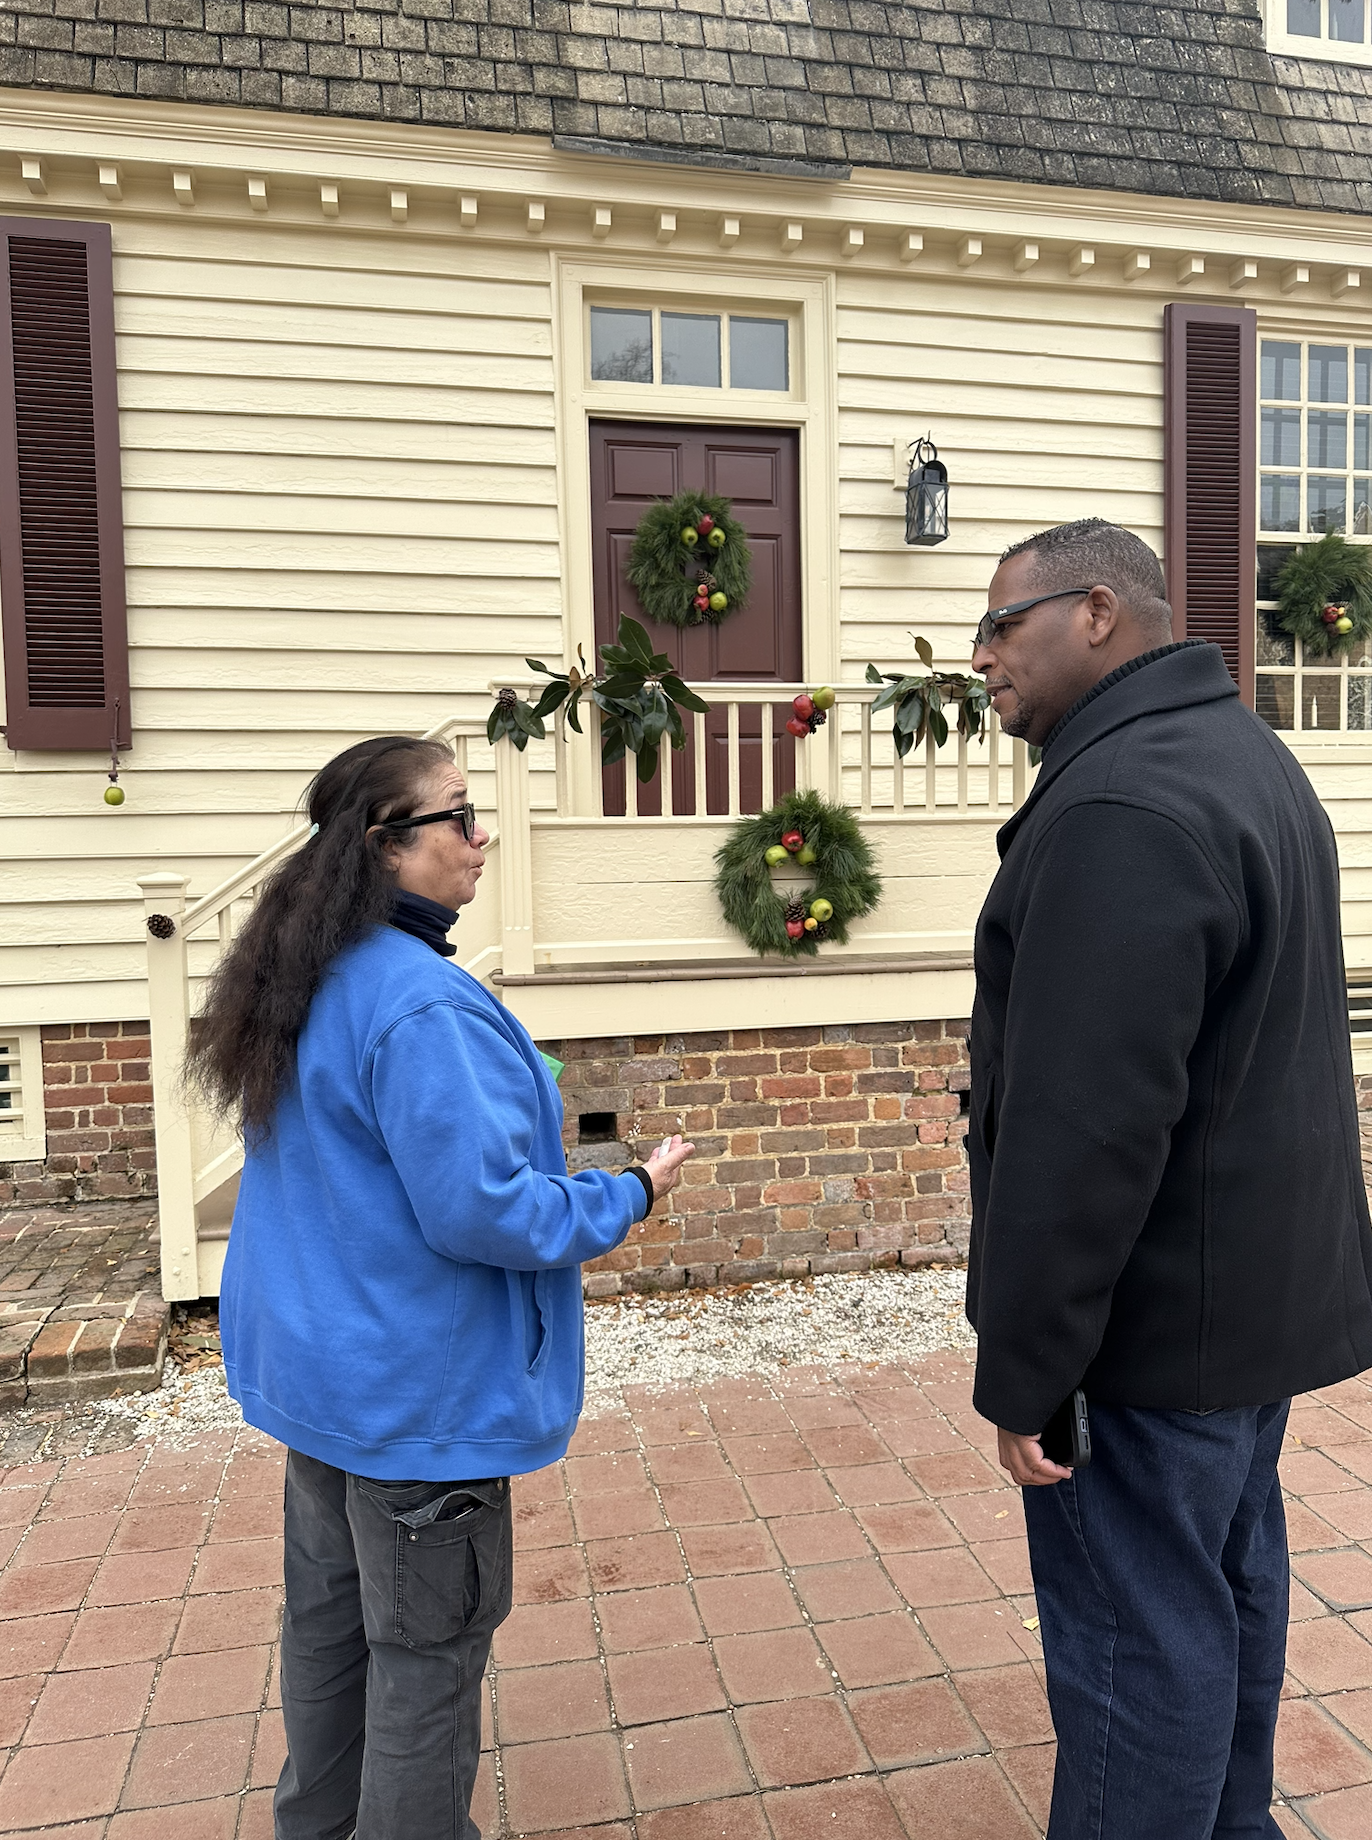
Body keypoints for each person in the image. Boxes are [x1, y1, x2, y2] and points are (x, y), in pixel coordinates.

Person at [188, 735, 694, 1840]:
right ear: (383, 849)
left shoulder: (313, 969)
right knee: (425, 1659)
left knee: (330, 1639)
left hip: (324, 1387)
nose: (480, 837)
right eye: (457, 817)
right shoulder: (418, 1005)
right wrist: (626, 1193)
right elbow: (486, 1212)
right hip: (415, 1405)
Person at [964, 518, 1372, 1839]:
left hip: (1147, 1334)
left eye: (999, 624)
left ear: (1094, 612)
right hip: (1247, 1312)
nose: (980, 658)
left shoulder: (1122, 803)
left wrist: (1030, 1367)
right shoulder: (1245, 757)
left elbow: (1087, 1127)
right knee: (1227, 1588)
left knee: (1141, 1646)